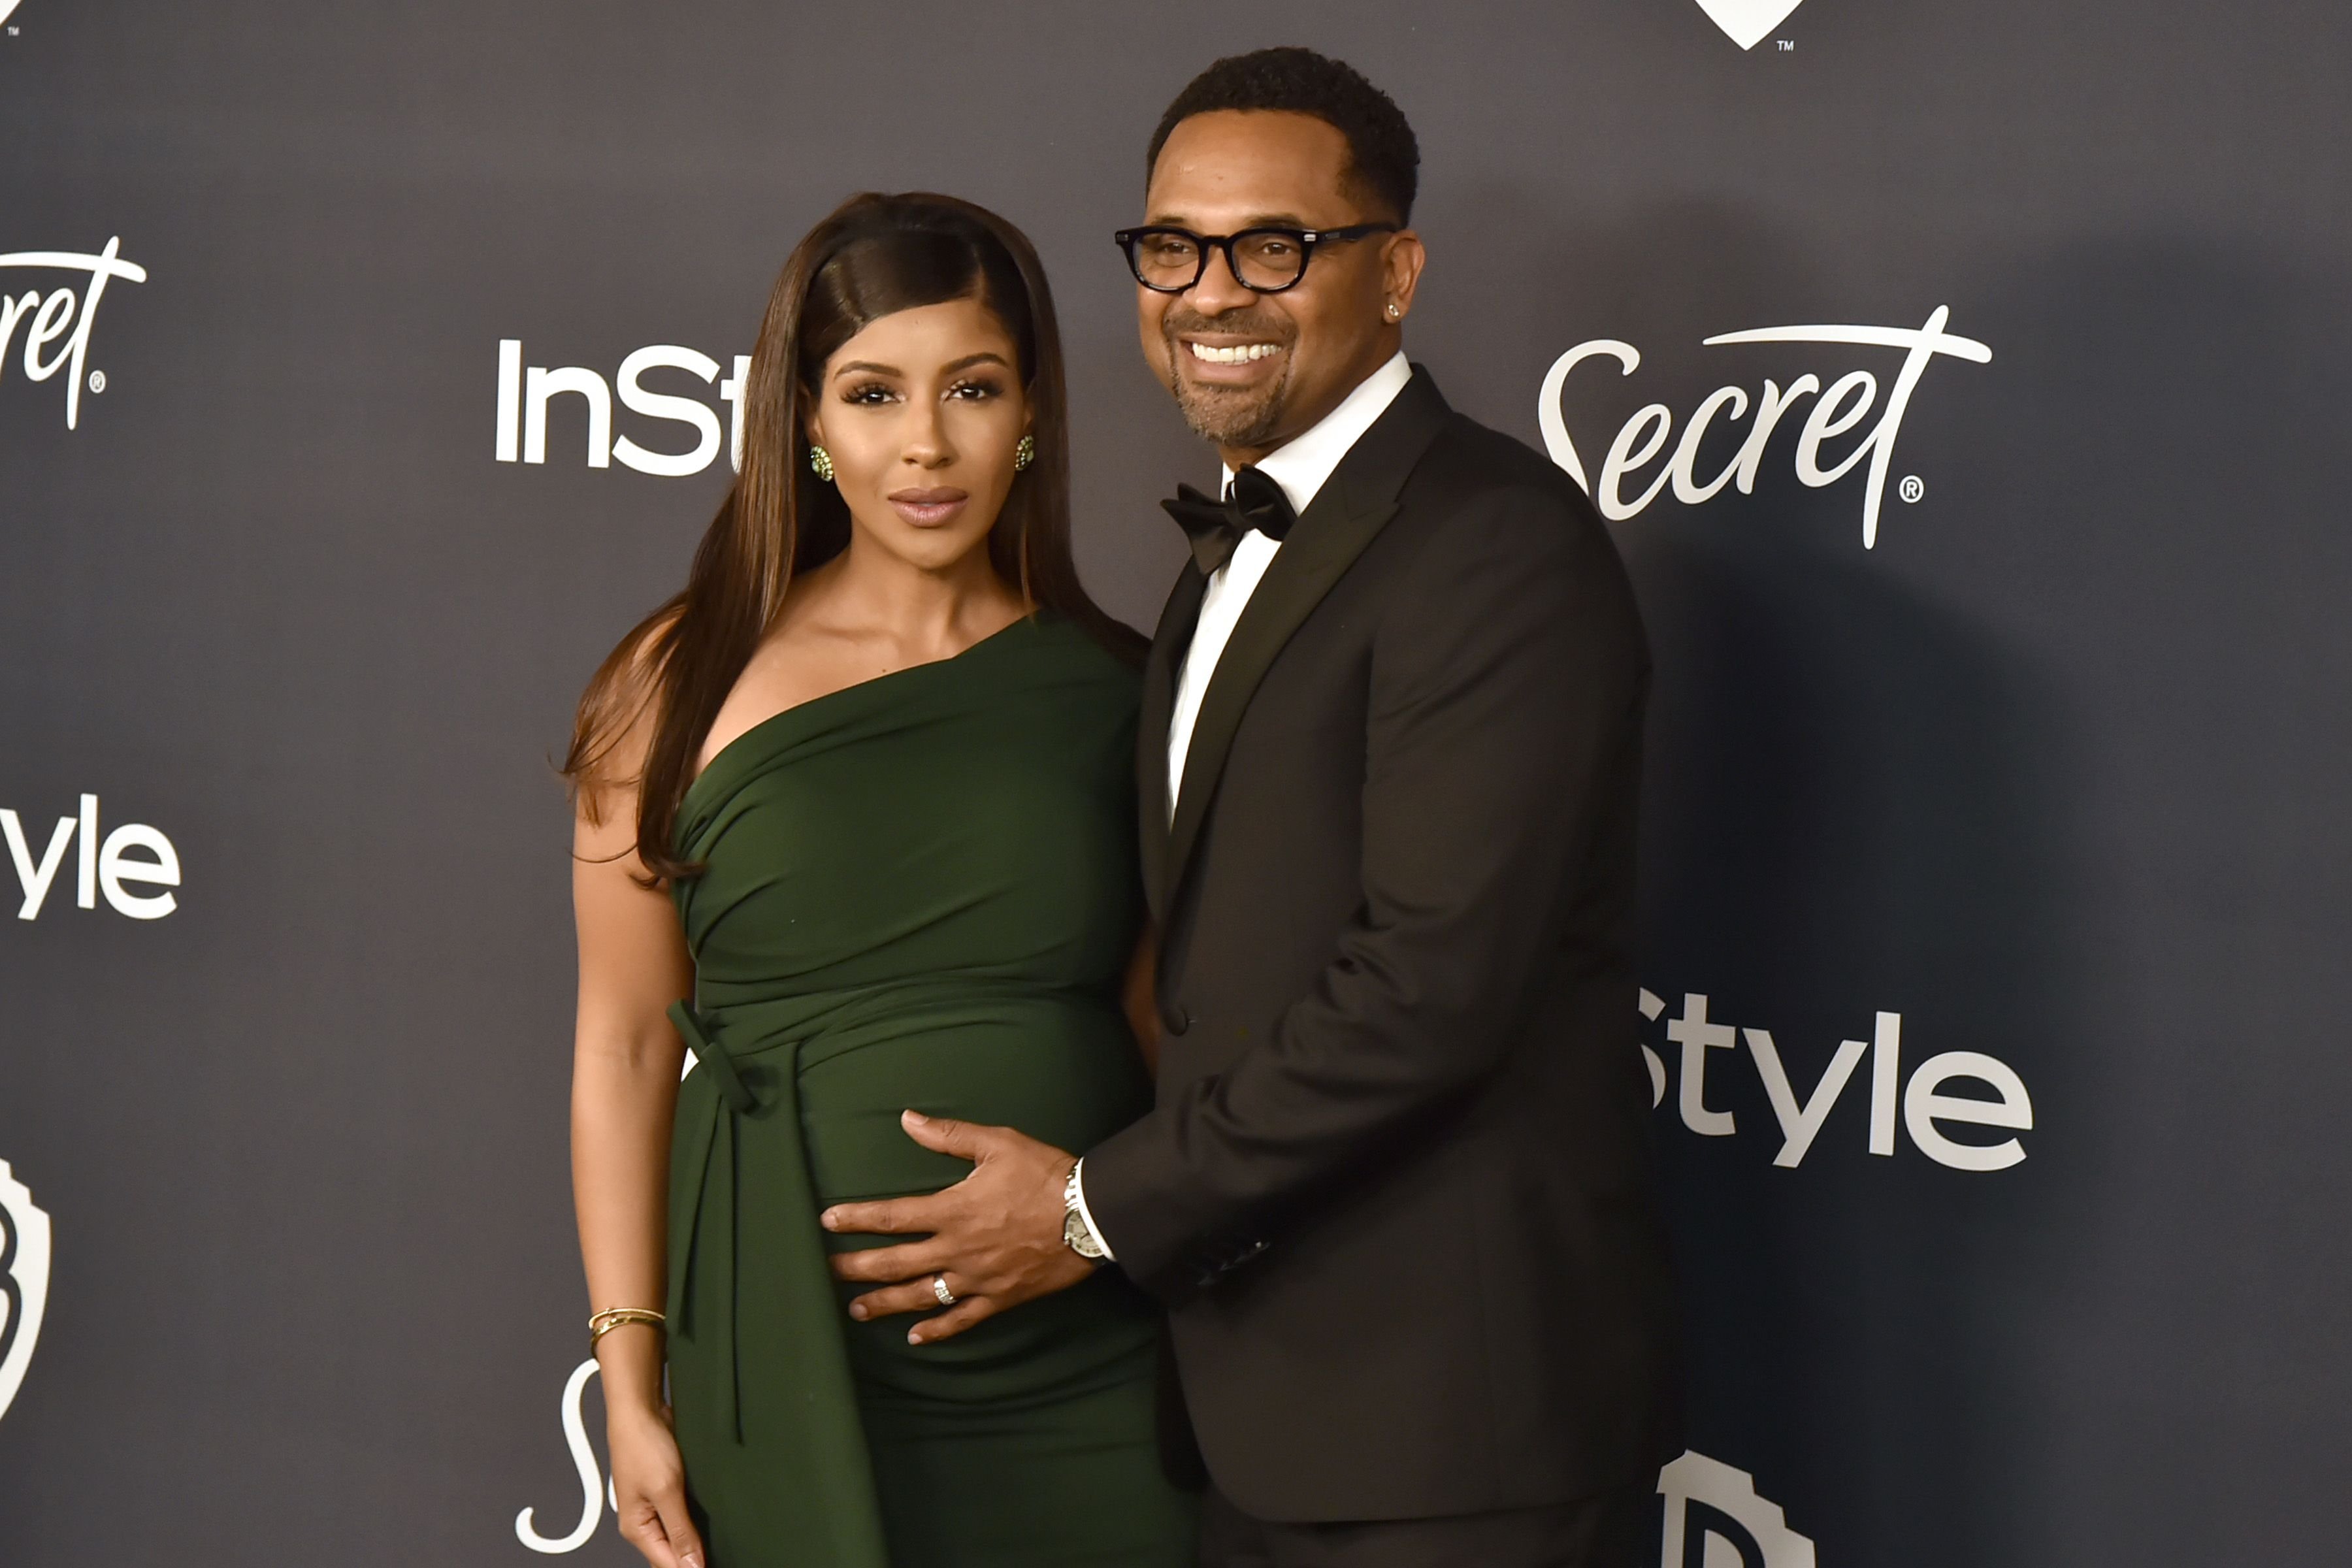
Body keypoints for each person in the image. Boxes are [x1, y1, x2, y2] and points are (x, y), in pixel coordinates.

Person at [822, 50, 1682, 1567]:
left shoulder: (1494, 550)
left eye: (1274, 247)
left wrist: (1089, 1208)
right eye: (1173, 248)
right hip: (1254, 1407)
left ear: (1397, 271)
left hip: (1445, 1432)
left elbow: (1427, 991)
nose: (1212, 292)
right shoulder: (1237, 536)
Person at [563, 191, 1198, 1568]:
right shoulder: (671, 686)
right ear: (805, 421)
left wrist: (1100, 1225)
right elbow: (620, 1047)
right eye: (871, 393)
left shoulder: (1128, 694)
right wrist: (630, 1385)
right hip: (789, 1355)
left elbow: (1171, 1043)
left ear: (1031, 413)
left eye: (971, 388)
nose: (925, 444)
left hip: (1085, 1358)